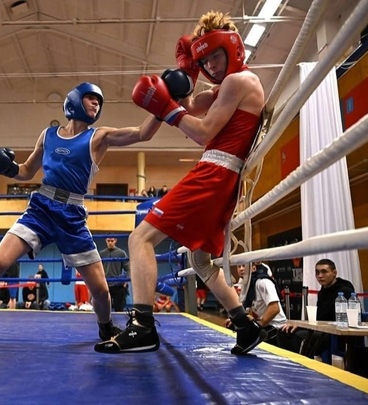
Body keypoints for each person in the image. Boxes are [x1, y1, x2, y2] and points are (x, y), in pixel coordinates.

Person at [0, 82, 162, 348]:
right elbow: (27, 171)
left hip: (73, 216)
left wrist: (163, 106)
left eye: (99, 101)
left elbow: (142, 133)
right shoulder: (48, 134)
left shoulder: (98, 137)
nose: (96, 104)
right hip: (41, 208)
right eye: (90, 98)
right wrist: (7, 168)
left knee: (100, 290)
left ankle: (105, 326)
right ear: (74, 100)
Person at [95, 11, 266, 354]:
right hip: (224, 179)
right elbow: (190, 105)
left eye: (214, 56)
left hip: (214, 172)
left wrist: (168, 108)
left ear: (232, 48)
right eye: (204, 60)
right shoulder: (229, 86)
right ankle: (245, 327)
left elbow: (201, 131)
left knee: (140, 236)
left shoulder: (238, 82)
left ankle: (143, 326)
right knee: (201, 261)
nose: (211, 66)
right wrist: (185, 74)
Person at [278, 258, 355, 356]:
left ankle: (301, 366)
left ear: (334, 273)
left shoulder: (345, 291)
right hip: (321, 329)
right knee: (284, 331)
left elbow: (345, 321)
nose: (320, 276)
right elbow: (319, 318)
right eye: (317, 272)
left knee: (298, 336)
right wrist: (301, 325)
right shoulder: (322, 291)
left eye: (324, 272)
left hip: (335, 333)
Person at [226, 263, 286, 346]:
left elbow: (275, 308)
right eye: (239, 266)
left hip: (276, 328)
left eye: (244, 266)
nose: (241, 269)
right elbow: (248, 311)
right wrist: (238, 321)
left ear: (253, 268)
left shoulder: (263, 282)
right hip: (263, 325)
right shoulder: (244, 285)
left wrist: (257, 326)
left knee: (244, 345)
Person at [99, 237, 130, 312]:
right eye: (108, 241)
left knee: (119, 309)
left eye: (112, 241)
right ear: (105, 241)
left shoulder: (121, 253)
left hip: (118, 285)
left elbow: (128, 268)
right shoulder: (101, 253)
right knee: (104, 309)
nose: (110, 242)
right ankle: (106, 323)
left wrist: (126, 281)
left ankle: (118, 323)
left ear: (115, 241)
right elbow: (98, 269)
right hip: (105, 285)